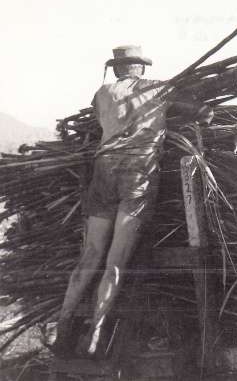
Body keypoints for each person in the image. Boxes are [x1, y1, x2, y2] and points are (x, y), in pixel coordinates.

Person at [52, 45, 205, 357]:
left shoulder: (102, 93)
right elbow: (201, 111)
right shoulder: (159, 89)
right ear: (141, 68)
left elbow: (100, 122)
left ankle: (63, 326)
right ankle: (94, 334)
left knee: (91, 253)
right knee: (116, 261)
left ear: (117, 68)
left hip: (104, 170)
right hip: (138, 172)